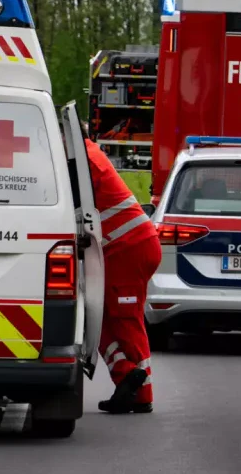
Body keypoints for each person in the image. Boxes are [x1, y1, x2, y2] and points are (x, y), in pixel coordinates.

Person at [85, 135, 161, 414]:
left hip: (129, 250)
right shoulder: (87, 154)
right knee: (97, 319)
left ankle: (141, 394)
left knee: (125, 321)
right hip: (125, 248)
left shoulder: (85, 161)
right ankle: (127, 376)